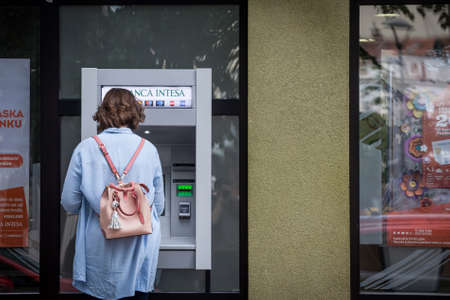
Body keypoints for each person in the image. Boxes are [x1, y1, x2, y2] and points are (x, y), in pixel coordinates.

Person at [61, 88, 164, 300]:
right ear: (135, 112)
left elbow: (69, 203)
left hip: (97, 255)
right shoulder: (149, 149)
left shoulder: (85, 149)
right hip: (138, 254)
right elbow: (159, 206)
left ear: (103, 113)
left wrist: (99, 205)